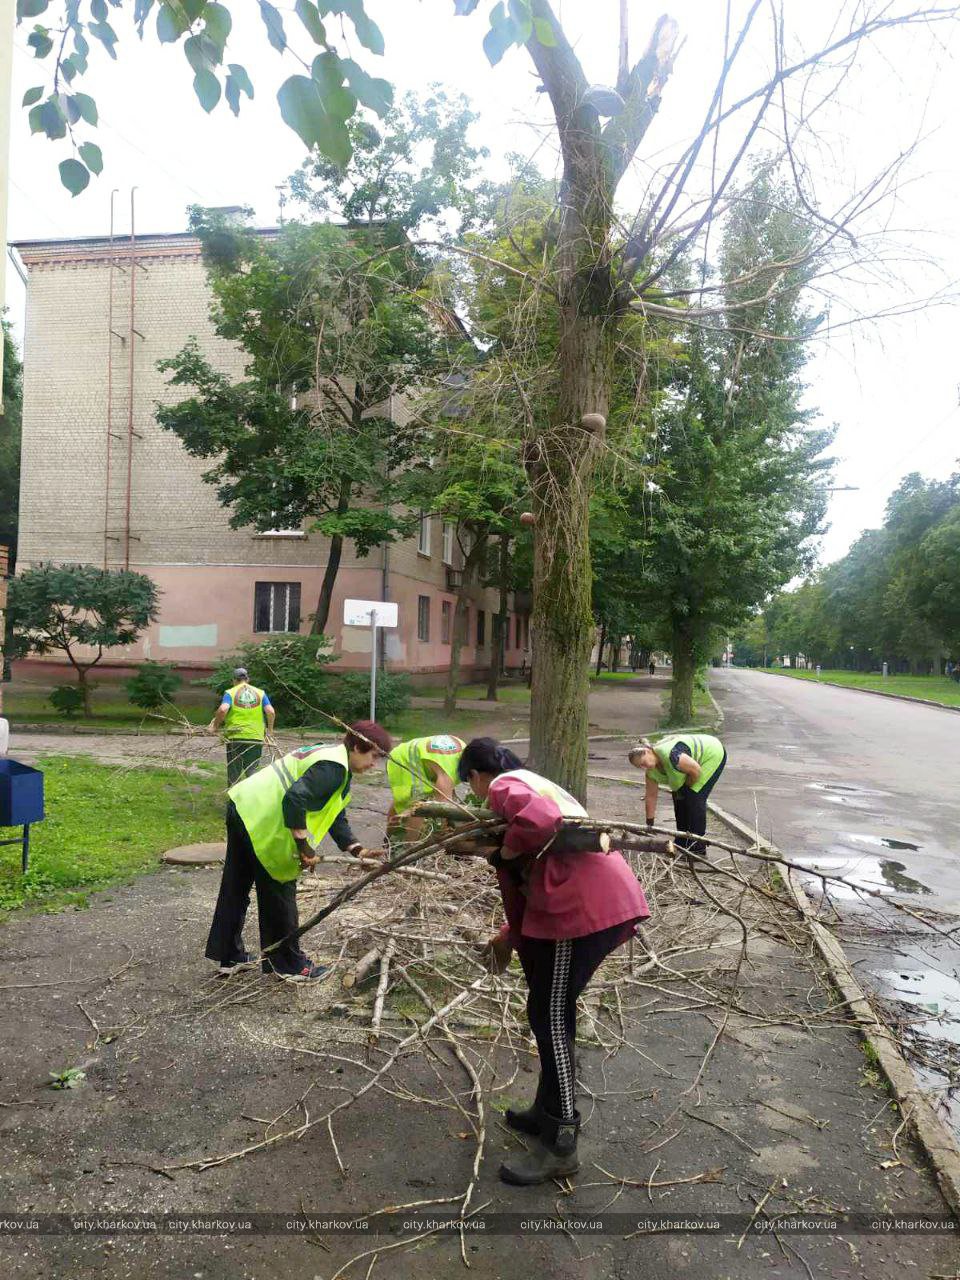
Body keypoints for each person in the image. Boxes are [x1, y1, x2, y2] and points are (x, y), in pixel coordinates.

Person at [456, 737, 649, 1186]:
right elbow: (534, 871)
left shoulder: (506, 786)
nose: (476, 795)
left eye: (471, 785)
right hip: (577, 906)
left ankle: (562, 1141)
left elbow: (540, 823)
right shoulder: (536, 782)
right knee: (548, 1010)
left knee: (550, 1015)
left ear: (476, 775)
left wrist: (503, 852)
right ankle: (546, 1113)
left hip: (578, 912)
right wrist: (510, 936)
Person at [205, 720, 392, 981]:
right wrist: (303, 845)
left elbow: (334, 811)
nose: (374, 764)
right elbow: (295, 797)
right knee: (280, 887)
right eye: (373, 756)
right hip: (260, 818)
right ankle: (289, 965)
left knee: (235, 886)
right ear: (359, 746)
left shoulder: (332, 757)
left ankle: (228, 955)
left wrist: (356, 848)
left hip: (244, 806)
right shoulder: (333, 767)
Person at [628, 732, 727, 860]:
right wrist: (650, 822)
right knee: (679, 798)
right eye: (640, 766)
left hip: (712, 754)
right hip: (692, 766)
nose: (643, 767)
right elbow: (651, 796)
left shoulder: (672, 755)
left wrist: (688, 786)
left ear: (648, 751)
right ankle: (682, 841)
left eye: (643, 762)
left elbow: (696, 771)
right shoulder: (651, 773)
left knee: (693, 798)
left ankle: (697, 849)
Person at [385, 734, 465, 840]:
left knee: (404, 804)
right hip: (404, 759)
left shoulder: (463, 750)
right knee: (417, 807)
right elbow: (442, 808)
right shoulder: (448, 772)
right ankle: (410, 848)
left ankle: (388, 838)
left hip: (414, 754)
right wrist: (445, 835)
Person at [210, 667, 276, 786]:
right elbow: (270, 712)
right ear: (248, 679)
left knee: (234, 773)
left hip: (236, 737)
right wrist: (270, 731)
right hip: (255, 737)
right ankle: (252, 801)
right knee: (252, 773)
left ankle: (233, 804)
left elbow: (223, 709)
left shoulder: (231, 692)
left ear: (234, 680)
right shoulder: (260, 693)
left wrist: (215, 726)